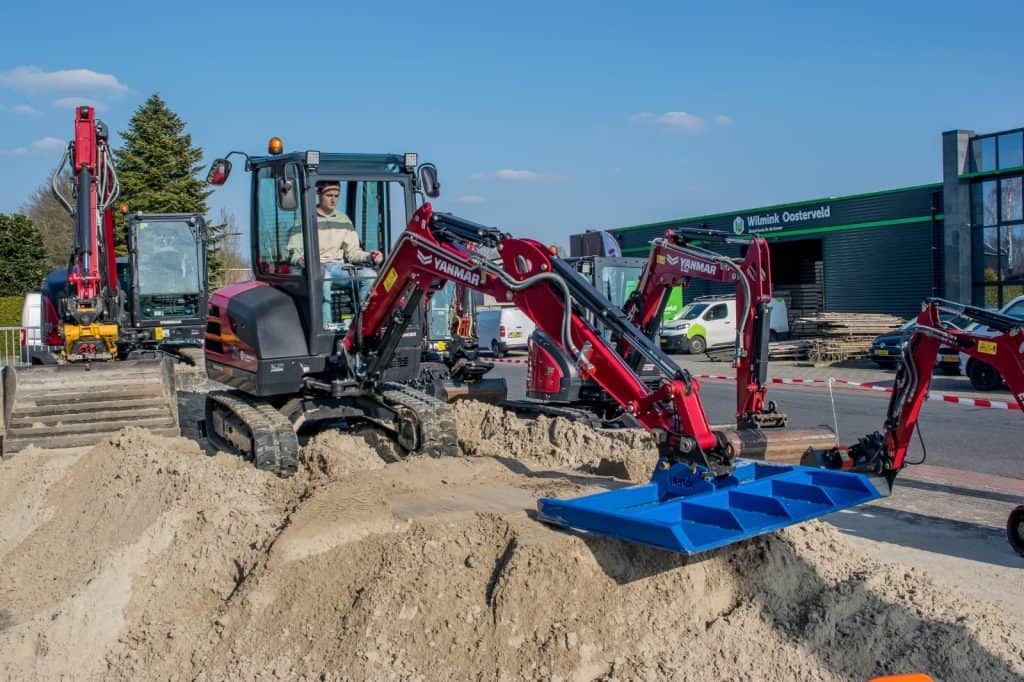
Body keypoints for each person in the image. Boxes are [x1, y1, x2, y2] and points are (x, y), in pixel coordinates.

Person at [309, 181, 383, 329]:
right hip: (316, 266)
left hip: (338, 267)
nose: (333, 199)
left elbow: (353, 252)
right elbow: (297, 252)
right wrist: (302, 260)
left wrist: (370, 256)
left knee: (370, 275)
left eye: (336, 196)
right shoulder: (308, 219)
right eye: (329, 195)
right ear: (318, 194)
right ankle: (326, 326)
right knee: (324, 277)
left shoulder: (343, 220)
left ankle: (362, 323)